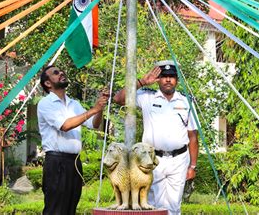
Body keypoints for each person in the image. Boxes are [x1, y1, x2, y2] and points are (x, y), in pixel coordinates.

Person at [113, 60, 199, 215]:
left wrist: (192, 166)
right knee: (152, 205)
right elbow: (118, 99)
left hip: (179, 160)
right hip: (152, 160)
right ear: (158, 79)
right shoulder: (147, 97)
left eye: (171, 76)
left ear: (177, 80)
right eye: (164, 76)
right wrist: (142, 82)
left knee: (174, 206)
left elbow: (193, 136)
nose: (168, 80)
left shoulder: (186, 101)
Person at [37, 65, 109, 215]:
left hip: (74, 162)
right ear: (48, 83)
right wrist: (93, 110)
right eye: (56, 73)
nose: (61, 72)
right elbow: (65, 125)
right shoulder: (45, 103)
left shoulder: (74, 104)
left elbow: (94, 124)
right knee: (55, 209)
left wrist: (100, 107)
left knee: (71, 208)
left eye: (61, 71)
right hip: (56, 162)